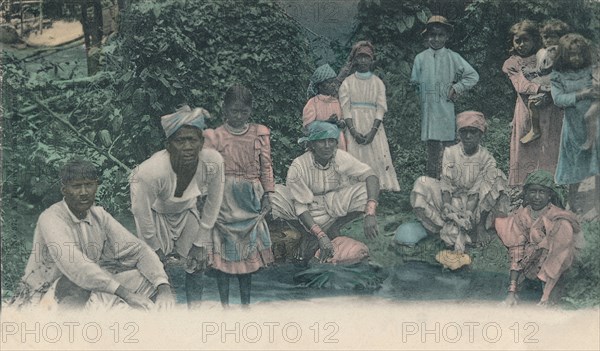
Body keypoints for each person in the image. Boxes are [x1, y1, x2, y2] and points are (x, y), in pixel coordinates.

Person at [10, 160, 175, 310]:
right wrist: (127, 294)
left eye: (89, 185)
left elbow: (138, 250)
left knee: (147, 279)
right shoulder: (51, 218)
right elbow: (76, 266)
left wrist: (163, 287)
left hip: (85, 289)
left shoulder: (99, 215)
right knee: (75, 285)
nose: (84, 192)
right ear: (64, 190)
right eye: (76, 186)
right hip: (43, 296)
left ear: (96, 186)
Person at [130, 105, 225, 308]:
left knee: (197, 264)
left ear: (201, 142)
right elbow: (141, 212)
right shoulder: (149, 172)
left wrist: (200, 242)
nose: (188, 146)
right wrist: (154, 247)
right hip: (156, 216)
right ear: (168, 145)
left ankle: (194, 314)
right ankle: (157, 314)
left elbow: (214, 201)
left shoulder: (213, 162)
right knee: (153, 270)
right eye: (180, 140)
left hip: (186, 211)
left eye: (193, 140)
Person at [203, 84, 274, 307]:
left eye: (244, 111)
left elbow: (266, 166)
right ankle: (224, 305)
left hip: (250, 199)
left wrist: (268, 193)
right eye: (234, 111)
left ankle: (245, 305)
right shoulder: (215, 136)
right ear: (224, 109)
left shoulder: (259, 133)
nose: (239, 116)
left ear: (250, 111)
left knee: (247, 256)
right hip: (224, 200)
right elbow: (208, 169)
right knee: (223, 255)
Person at [270, 121, 380, 265]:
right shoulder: (299, 165)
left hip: (332, 207)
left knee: (366, 189)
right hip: (305, 211)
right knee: (274, 194)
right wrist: (320, 235)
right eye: (322, 141)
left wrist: (370, 212)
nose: (327, 146)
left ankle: (334, 227)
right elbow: (301, 207)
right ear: (312, 145)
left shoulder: (339, 156)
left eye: (331, 141)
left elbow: (370, 175)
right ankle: (305, 233)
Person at [411, 111, 509, 254]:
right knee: (422, 183)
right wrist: (447, 205)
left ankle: (479, 227)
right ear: (459, 134)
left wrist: (469, 213)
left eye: (473, 132)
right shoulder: (450, 152)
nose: (468, 136)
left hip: (476, 207)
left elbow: (477, 192)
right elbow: (446, 182)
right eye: (464, 132)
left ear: (481, 134)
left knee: (497, 175)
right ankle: (443, 225)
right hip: (453, 201)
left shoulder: (486, 158)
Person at [496, 170, 583, 306]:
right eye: (533, 191)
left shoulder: (558, 217)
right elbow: (516, 252)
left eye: (542, 192)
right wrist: (511, 292)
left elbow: (561, 252)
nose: (537, 197)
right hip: (531, 265)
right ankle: (525, 290)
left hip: (559, 266)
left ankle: (549, 293)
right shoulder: (521, 217)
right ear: (526, 193)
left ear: (549, 195)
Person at [410, 15, 479, 179]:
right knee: (432, 146)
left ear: (447, 36)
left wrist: (456, 87)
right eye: (432, 35)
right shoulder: (420, 58)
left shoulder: (452, 57)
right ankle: (432, 180)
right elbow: (415, 81)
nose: (436, 39)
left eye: (440, 35)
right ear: (426, 37)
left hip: (445, 105)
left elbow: (473, 76)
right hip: (428, 107)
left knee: (449, 145)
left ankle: (452, 179)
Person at [502, 20, 564, 186]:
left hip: (551, 108)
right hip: (527, 109)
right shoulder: (512, 63)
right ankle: (524, 186)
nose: (521, 45)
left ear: (534, 40)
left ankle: (549, 185)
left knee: (549, 145)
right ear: (512, 42)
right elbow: (521, 85)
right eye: (518, 40)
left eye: (526, 40)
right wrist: (545, 88)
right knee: (527, 147)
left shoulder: (543, 55)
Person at [338, 41, 401, 191]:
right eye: (360, 57)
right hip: (354, 122)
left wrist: (373, 131)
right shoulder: (348, 82)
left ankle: (380, 187)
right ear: (355, 60)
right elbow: (345, 108)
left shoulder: (377, 82)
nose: (364, 61)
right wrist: (353, 132)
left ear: (372, 60)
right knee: (355, 154)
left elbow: (380, 108)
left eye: (367, 57)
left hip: (373, 124)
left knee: (377, 155)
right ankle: (357, 189)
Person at [550, 33, 600, 211]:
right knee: (573, 163)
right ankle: (572, 202)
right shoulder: (558, 75)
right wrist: (582, 94)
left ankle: (596, 204)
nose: (576, 58)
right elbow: (558, 100)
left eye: (579, 54)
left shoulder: (590, 69)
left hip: (595, 120)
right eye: (571, 54)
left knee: (597, 159)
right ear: (564, 55)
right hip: (573, 125)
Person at [519, 20, 571, 143]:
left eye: (552, 37)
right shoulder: (560, 50)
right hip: (554, 81)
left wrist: (532, 70)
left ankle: (535, 129)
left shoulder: (554, 50)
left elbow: (544, 68)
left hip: (554, 81)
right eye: (545, 37)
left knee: (532, 101)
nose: (548, 40)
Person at [303, 63, 347, 150]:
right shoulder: (313, 103)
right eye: (329, 83)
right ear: (320, 86)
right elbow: (307, 127)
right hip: (321, 142)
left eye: (334, 82)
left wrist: (340, 123)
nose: (333, 85)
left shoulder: (336, 101)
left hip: (337, 141)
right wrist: (327, 122)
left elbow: (343, 120)